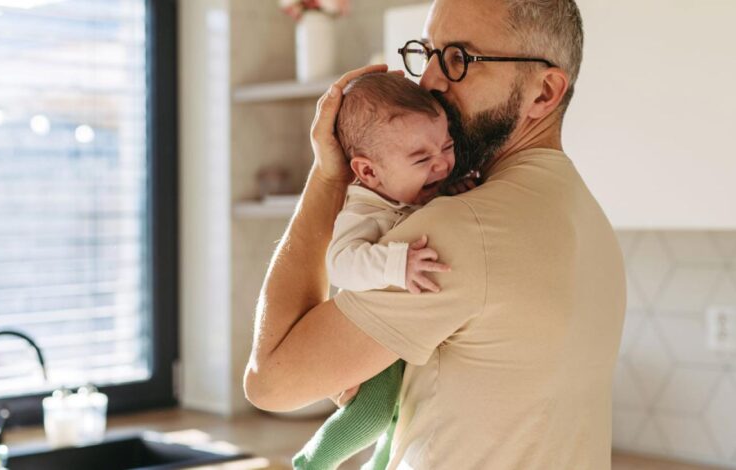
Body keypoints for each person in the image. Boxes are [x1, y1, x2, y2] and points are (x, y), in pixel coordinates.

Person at [245, 0, 627, 468]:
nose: (428, 80)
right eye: (428, 52)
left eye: (459, 59)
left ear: (544, 93)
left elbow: (270, 380)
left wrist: (328, 177)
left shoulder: (458, 230)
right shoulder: (589, 219)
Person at [293, 73, 454, 470]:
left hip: (400, 334)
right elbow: (342, 265)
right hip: (368, 332)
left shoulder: (412, 193)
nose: (442, 163)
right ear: (368, 173)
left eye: (448, 146)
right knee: (374, 415)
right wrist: (397, 263)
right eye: (421, 159)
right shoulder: (364, 209)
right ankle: (311, 463)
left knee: (402, 415)